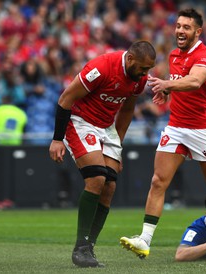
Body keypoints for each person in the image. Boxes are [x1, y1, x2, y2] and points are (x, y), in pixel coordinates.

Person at [120, 8, 206, 260]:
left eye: (186, 27)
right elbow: (183, 85)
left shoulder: (205, 56)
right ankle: (145, 239)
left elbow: (195, 81)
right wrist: (167, 92)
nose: (180, 30)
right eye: (178, 26)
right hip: (176, 127)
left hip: (203, 128)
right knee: (158, 181)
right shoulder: (174, 55)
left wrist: (167, 84)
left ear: (198, 31)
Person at [48, 41, 156, 268]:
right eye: (143, 69)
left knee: (109, 186)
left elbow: (127, 110)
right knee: (97, 179)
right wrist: (57, 138)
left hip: (107, 128)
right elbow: (66, 98)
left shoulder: (139, 80)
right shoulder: (103, 67)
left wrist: (118, 146)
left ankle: (89, 248)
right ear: (130, 60)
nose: (146, 74)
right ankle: (80, 247)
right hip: (80, 121)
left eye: (149, 69)